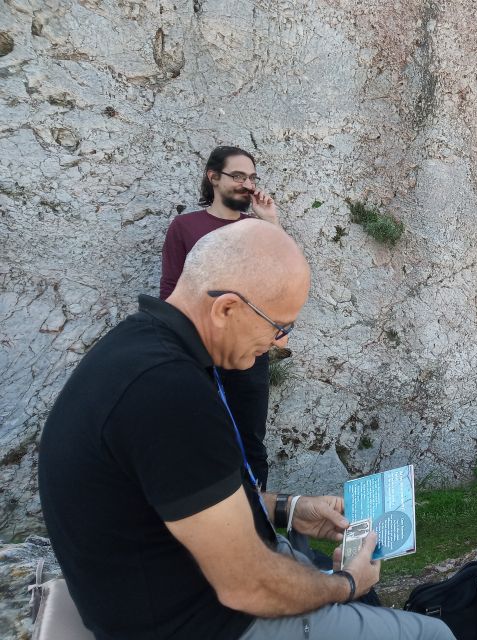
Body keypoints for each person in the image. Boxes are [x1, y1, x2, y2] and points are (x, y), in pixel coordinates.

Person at [39, 220, 453, 640]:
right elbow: (246, 585)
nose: (281, 344)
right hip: (206, 623)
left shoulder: (143, 349)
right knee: (435, 635)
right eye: (280, 327)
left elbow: (185, 496)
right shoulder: (169, 393)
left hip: (173, 595)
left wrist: (287, 509)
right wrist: (346, 585)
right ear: (227, 309)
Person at [160, 146, 278, 489]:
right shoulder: (185, 227)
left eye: (252, 177)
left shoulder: (258, 230)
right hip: (197, 353)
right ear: (213, 177)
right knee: (198, 439)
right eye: (238, 176)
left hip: (248, 353)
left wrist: (270, 224)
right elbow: (170, 289)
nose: (247, 184)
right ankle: (210, 526)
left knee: (250, 441)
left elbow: (279, 281)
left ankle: (258, 528)